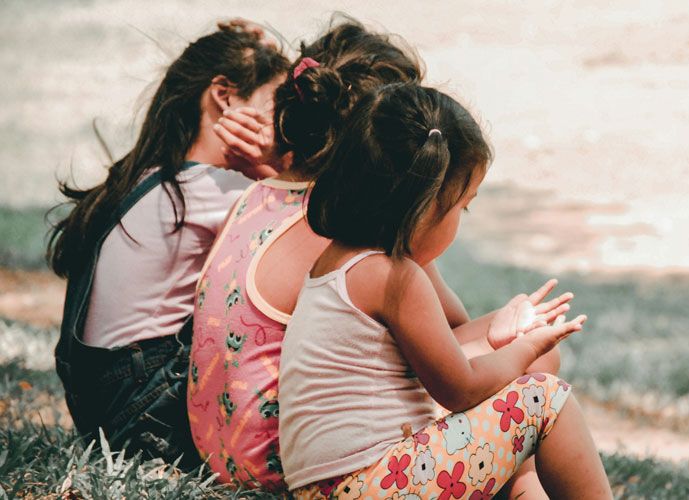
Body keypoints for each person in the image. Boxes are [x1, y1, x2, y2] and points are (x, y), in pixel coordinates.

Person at [191, 18, 566, 495]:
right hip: (292, 466)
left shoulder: (259, 196)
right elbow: (452, 359)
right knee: (535, 372)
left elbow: (442, 334)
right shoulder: (355, 238)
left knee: (517, 363)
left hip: (227, 452)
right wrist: (519, 347)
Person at [279, 82, 614, 499]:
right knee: (546, 399)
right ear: (423, 206)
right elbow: (460, 389)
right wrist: (526, 348)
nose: (460, 219)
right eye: (462, 206)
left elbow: (437, 354)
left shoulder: (338, 262)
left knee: (528, 374)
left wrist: (497, 334)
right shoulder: (394, 277)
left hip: (336, 487)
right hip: (371, 485)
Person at [47, 20, 290, 468]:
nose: (280, 126)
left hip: (106, 410)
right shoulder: (212, 190)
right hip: (146, 417)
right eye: (274, 105)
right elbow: (314, 231)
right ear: (224, 95)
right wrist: (272, 167)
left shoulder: (151, 177)